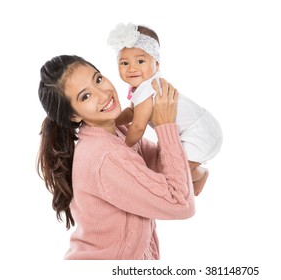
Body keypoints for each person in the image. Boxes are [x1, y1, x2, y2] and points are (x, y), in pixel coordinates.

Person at [37, 55, 195, 260]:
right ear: (74, 116)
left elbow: (159, 165)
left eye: (98, 79)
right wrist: (165, 126)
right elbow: (181, 204)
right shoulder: (107, 157)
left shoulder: (115, 132)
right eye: (85, 96)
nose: (103, 95)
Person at [107, 23, 223, 196]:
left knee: (172, 169)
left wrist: (124, 149)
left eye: (140, 61)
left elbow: (138, 127)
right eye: (124, 63)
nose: (132, 68)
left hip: (200, 133)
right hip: (203, 127)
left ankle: (199, 175)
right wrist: (113, 122)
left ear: (157, 64)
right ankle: (198, 177)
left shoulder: (149, 89)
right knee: (172, 166)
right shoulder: (143, 88)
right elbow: (132, 113)